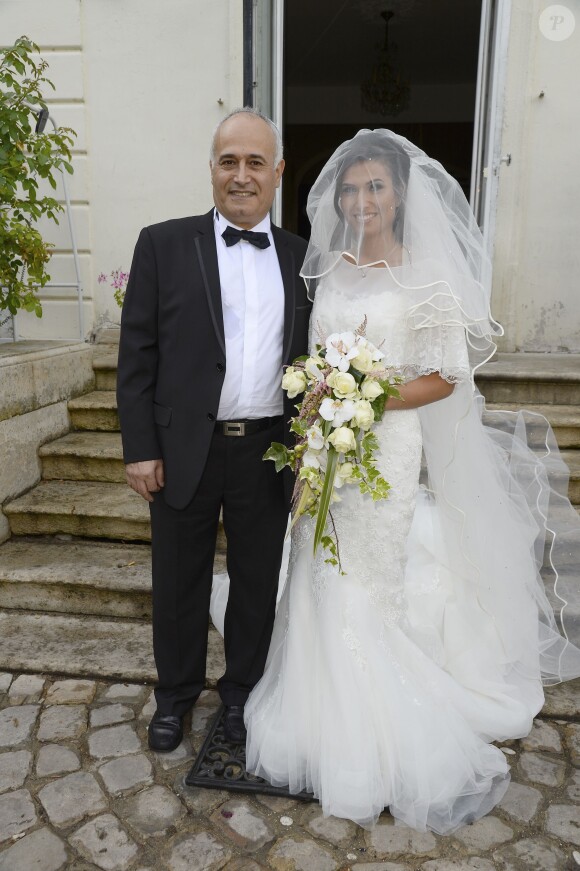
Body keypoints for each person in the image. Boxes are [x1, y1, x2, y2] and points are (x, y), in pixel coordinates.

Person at [242, 129, 580, 833]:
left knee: (368, 572)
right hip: (324, 444)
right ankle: (308, 699)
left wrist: (365, 396)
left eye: (376, 186)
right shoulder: (327, 267)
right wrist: (321, 404)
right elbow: (312, 356)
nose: (362, 199)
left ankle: (376, 721)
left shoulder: (426, 276)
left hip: (384, 450)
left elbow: (445, 375)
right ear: (336, 195)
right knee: (311, 564)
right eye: (351, 187)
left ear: (400, 194)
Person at [116, 108, 310, 753]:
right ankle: (173, 697)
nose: (241, 175)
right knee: (177, 583)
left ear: (277, 173)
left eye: (256, 162)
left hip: (268, 450)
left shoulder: (303, 260)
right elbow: (137, 355)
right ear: (211, 170)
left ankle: (241, 698)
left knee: (257, 582)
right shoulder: (163, 244)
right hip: (182, 450)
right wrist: (140, 448)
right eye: (229, 160)